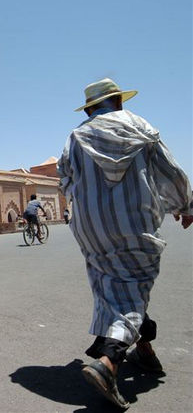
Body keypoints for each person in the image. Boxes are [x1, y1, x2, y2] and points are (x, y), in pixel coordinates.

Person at [57, 77, 193, 409]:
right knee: (133, 283)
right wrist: (185, 205)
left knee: (114, 285)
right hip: (134, 223)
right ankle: (108, 363)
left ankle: (144, 349)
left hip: (91, 230)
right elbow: (170, 171)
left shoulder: (77, 136)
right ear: (118, 102)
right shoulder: (139, 127)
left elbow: (64, 178)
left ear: (90, 109)